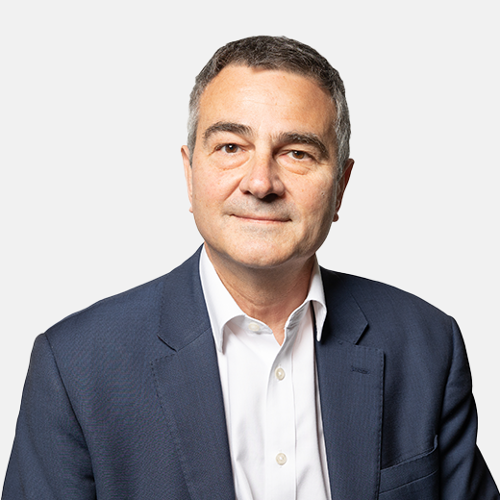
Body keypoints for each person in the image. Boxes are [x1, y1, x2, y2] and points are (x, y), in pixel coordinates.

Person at [2, 35, 498, 500]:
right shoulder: (75, 367)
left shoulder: (427, 345)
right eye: (231, 148)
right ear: (189, 173)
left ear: (341, 187)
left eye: (297, 153)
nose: (261, 183)